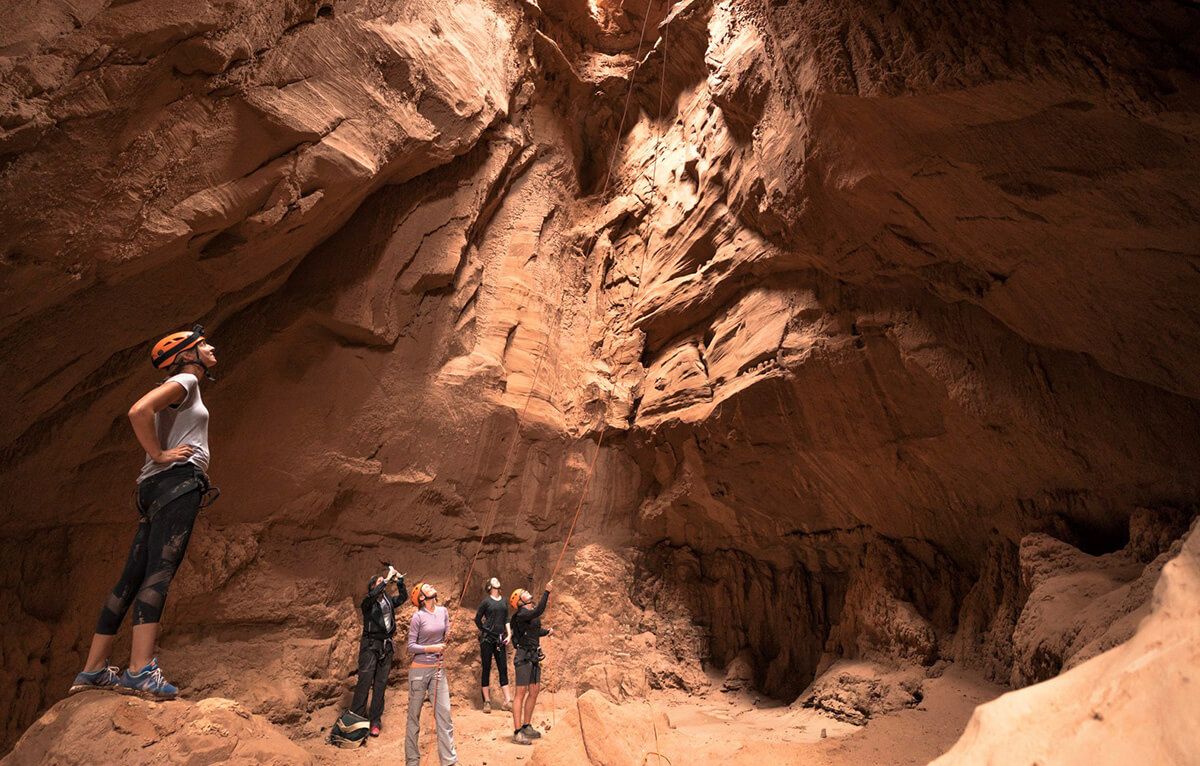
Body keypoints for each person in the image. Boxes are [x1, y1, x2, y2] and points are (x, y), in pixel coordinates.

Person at [69, 325, 219, 700]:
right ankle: (139, 671)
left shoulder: (184, 385)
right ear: (187, 355)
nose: (211, 347)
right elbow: (139, 410)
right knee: (159, 573)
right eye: (203, 344)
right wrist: (160, 454)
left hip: (153, 488)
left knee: (130, 578)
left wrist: (156, 459)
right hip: (177, 483)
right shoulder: (186, 379)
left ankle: (93, 670)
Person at [406, 582, 458, 766]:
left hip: (438, 669)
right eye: (425, 587)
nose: (430, 586)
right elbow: (411, 647)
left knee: (445, 716)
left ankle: (450, 762)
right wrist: (432, 648)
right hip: (419, 671)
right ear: (421, 597)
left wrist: (448, 637)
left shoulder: (443, 611)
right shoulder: (417, 617)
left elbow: (446, 634)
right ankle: (412, 762)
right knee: (414, 718)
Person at [352, 564, 406, 737]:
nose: (384, 583)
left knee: (380, 685)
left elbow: (403, 597)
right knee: (364, 682)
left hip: (386, 646)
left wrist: (400, 581)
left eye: (385, 582)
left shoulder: (388, 601)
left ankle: (375, 721)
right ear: (373, 587)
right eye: (380, 582)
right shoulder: (368, 602)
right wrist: (386, 580)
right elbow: (372, 596)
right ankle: (357, 722)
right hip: (370, 645)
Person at [509, 579, 554, 745]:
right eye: (523, 593)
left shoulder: (530, 612)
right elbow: (539, 611)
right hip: (523, 656)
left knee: (534, 691)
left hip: (534, 655)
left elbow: (534, 630)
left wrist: (546, 632)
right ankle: (517, 732)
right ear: (520, 601)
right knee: (520, 694)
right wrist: (547, 591)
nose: (527, 592)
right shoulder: (522, 614)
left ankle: (527, 725)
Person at [474, 576, 513, 713]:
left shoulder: (503, 601)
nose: (496, 580)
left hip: (500, 638)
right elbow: (477, 619)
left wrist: (509, 634)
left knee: (503, 668)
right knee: (486, 667)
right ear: (489, 587)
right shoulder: (486, 602)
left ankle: (508, 701)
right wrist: (484, 630)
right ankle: (487, 701)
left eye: (497, 579)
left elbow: (507, 619)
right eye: (493, 580)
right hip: (487, 640)